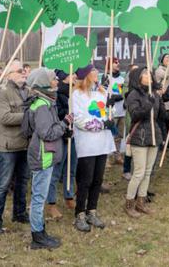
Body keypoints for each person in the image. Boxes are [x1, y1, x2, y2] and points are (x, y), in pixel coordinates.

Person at [24, 68, 69, 250]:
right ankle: (37, 236)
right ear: (43, 82)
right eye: (53, 78)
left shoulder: (45, 102)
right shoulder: (42, 105)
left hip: (45, 155)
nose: (57, 80)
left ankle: (40, 231)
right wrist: (64, 124)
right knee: (38, 197)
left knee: (39, 196)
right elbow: (47, 133)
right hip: (43, 157)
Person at [71, 65, 115, 232]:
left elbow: (105, 114)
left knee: (97, 180)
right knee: (86, 180)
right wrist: (101, 124)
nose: (97, 73)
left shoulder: (101, 92)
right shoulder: (77, 94)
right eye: (93, 71)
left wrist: (109, 106)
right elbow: (79, 119)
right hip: (87, 143)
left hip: (102, 142)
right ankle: (80, 213)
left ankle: (92, 211)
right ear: (86, 75)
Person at [0, 60, 30, 236]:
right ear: (8, 74)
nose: (24, 73)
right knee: (3, 185)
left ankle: (19, 214)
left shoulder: (27, 91)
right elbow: (5, 118)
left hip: (25, 144)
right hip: (8, 146)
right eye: (19, 70)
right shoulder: (0, 92)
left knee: (22, 182)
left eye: (24, 70)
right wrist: (29, 116)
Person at [123, 66, 167, 217]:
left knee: (148, 173)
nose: (149, 76)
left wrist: (163, 102)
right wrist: (148, 103)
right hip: (140, 137)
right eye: (145, 74)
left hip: (154, 135)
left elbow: (161, 116)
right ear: (138, 78)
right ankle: (129, 203)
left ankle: (141, 202)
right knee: (139, 173)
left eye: (150, 74)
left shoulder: (154, 93)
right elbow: (135, 115)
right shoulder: (133, 95)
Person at [44, 69, 77, 220]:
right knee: (56, 171)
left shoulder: (74, 93)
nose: (75, 76)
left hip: (72, 136)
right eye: (72, 75)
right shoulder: (56, 95)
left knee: (71, 168)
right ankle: (51, 203)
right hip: (59, 137)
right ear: (64, 78)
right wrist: (64, 128)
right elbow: (56, 116)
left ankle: (69, 196)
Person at [106, 58, 126, 164]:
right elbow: (104, 93)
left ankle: (117, 155)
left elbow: (124, 93)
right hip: (110, 111)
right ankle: (108, 157)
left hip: (121, 111)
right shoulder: (107, 78)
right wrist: (112, 97)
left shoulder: (122, 79)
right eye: (115, 62)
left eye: (118, 62)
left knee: (118, 135)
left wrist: (120, 97)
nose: (118, 64)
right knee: (109, 134)